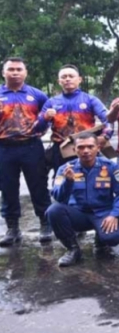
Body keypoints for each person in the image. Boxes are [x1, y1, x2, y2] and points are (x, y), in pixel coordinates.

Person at [46, 132, 119, 267]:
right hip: (79, 214)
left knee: (113, 238)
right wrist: (68, 182)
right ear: (74, 150)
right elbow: (58, 197)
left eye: (90, 147)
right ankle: (73, 249)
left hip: (103, 213)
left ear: (98, 148)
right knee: (53, 210)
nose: (86, 151)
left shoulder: (110, 167)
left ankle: (101, 240)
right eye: (81, 147)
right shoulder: (65, 169)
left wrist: (115, 214)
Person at [0, 57, 52, 246]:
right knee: (7, 188)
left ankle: (45, 224)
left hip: (31, 147)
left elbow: (48, 117)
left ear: (25, 72)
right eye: (11, 69)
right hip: (4, 148)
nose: (15, 72)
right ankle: (12, 229)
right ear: (3, 72)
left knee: (39, 186)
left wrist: (43, 127)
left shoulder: (37, 95)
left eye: (19, 69)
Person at [38, 64, 113, 180]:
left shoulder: (90, 100)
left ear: (79, 79)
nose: (67, 79)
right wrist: (45, 117)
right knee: (61, 182)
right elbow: (38, 128)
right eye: (64, 77)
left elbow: (108, 119)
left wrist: (105, 136)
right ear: (59, 81)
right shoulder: (51, 102)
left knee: (90, 181)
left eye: (71, 76)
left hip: (86, 148)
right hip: (61, 149)